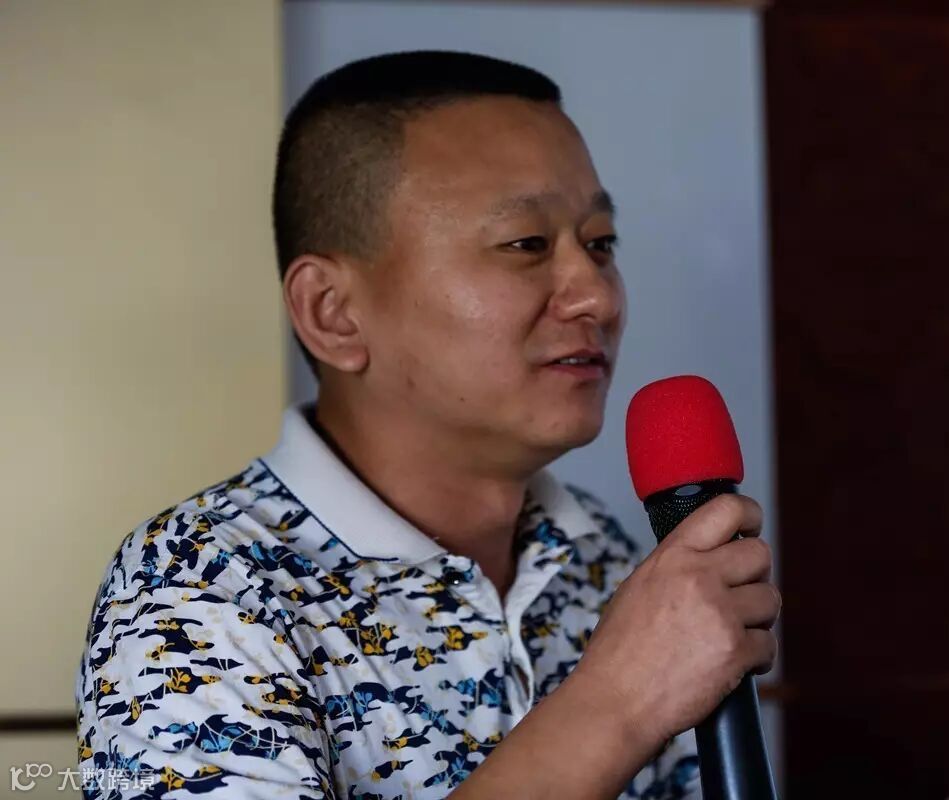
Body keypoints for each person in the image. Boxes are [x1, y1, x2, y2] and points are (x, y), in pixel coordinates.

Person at [75, 51, 779, 800]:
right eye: (526, 244)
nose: (597, 298)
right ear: (333, 313)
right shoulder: (199, 588)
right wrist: (617, 704)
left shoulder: (602, 558)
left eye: (600, 243)